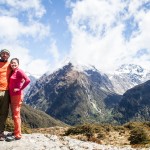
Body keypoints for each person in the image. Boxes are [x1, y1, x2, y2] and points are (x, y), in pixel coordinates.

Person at [6, 58, 30, 142]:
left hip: (17, 95)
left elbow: (28, 80)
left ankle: (18, 135)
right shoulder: (13, 71)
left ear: (18, 64)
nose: (13, 64)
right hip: (12, 96)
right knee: (14, 114)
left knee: (16, 115)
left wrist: (20, 88)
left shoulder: (19, 71)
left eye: (15, 63)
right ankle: (16, 131)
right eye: (12, 63)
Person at [0, 49, 11, 141]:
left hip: (6, 91)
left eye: (6, 54)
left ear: (8, 56)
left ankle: (1, 132)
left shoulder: (10, 65)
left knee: (4, 113)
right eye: (3, 53)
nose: (4, 55)